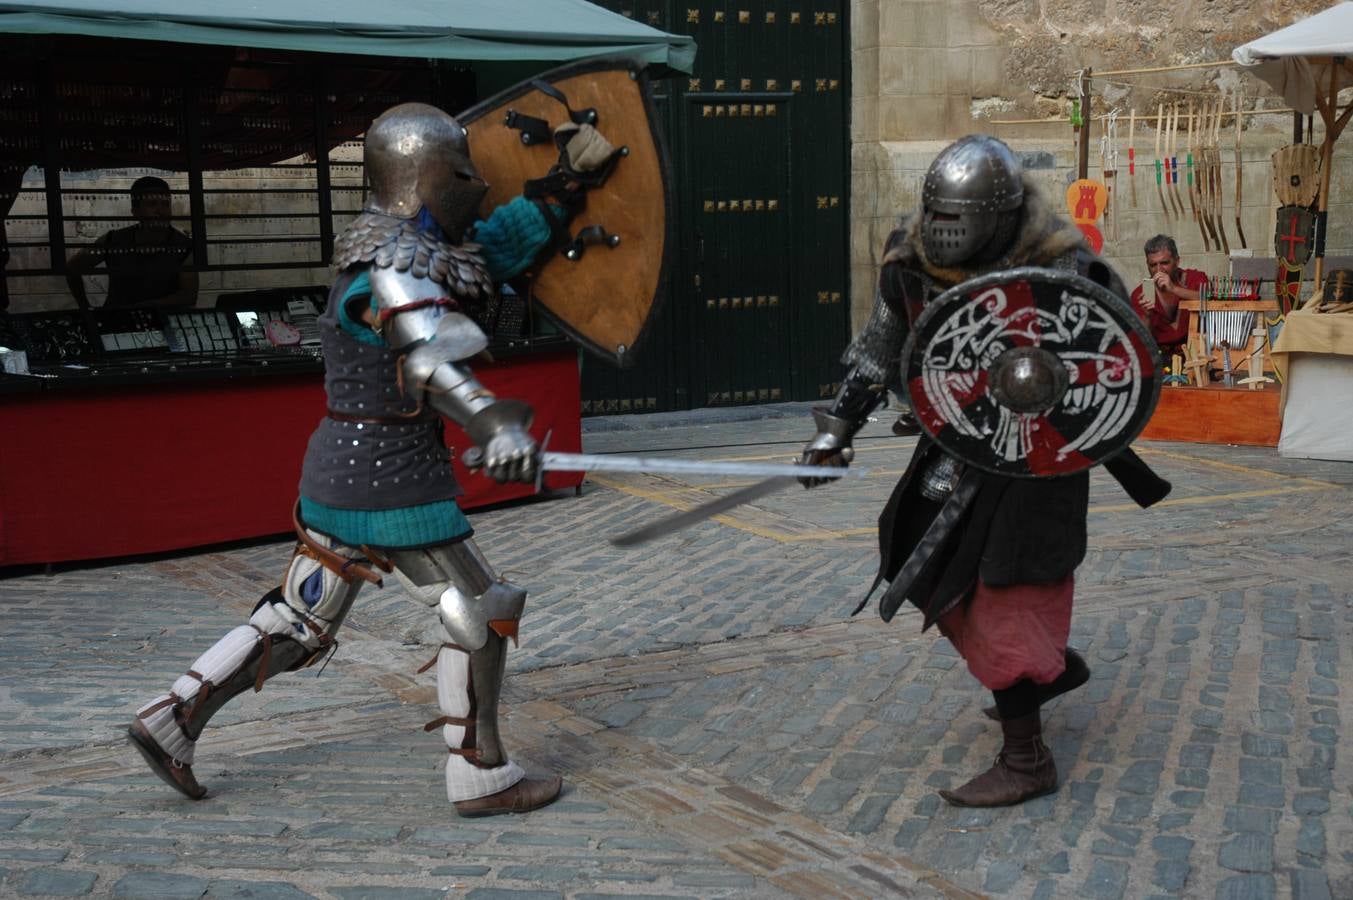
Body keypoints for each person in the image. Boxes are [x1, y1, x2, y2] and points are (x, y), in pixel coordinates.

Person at [126, 102, 615, 816]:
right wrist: (494, 426)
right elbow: (429, 354)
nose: (477, 182)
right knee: (482, 608)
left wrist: (566, 179)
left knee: (300, 617)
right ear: (428, 176)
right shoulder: (390, 267)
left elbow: (492, 252)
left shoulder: (407, 247)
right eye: (464, 170)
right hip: (391, 481)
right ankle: (480, 771)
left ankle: (173, 716)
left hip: (342, 471)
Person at [800, 135, 1169, 808]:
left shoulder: (1066, 269)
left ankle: (1026, 757)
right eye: (935, 218)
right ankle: (1043, 677)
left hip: (1036, 462)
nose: (943, 235)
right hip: (957, 447)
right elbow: (879, 351)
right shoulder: (906, 262)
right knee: (922, 561)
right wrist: (837, 430)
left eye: (958, 222)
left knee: (1007, 590)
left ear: (1000, 217)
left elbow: (1115, 362)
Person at [66, 176, 198, 310]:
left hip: (161, 324)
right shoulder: (113, 240)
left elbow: (188, 296)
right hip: (119, 324)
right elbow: (73, 267)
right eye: (152, 204)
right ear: (135, 211)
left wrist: (146, 307)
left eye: (165, 204)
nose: (161, 211)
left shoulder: (184, 246)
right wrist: (84, 307)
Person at [1129, 234, 1207, 356]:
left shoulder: (1195, 278)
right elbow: (1140, 341)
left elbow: (1209, 299)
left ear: (1177, 261)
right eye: (1153, 265)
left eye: (1164, 263)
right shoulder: (1139, 294)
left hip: (1196, 353)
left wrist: (1174, 288)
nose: (1159, 270)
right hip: (1160, 357)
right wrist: (1147, 316)